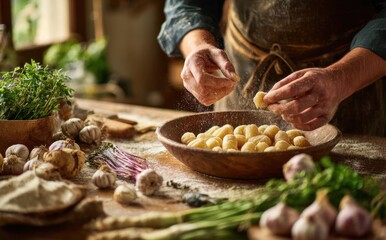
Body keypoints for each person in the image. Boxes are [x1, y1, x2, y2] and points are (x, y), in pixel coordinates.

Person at [158, 0, 386, 136]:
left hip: (352, 83)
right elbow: (187, 3)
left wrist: (341, 78)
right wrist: (197, 46)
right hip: (241, 73)